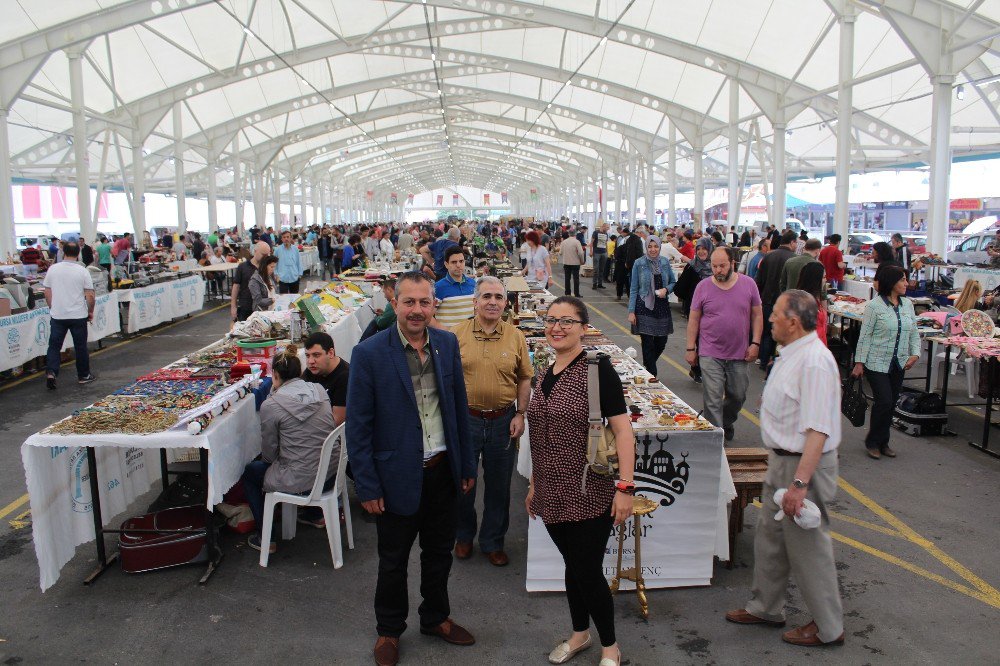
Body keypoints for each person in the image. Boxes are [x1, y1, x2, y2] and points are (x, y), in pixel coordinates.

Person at [346, 272, 476, 666]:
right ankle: (388, 630)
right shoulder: (369, 354)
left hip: (441, 471)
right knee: (393, 561)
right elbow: (359, 425)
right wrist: (367, 487)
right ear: (394, 304)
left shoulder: (446, 343)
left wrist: (466, 464)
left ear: (433, 303)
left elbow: (457, 408)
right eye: (409, 302)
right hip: (395, 476)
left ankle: (435, 617)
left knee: (439, 553)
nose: (417, 310)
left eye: (424, 302)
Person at [726, 290, 845, 648]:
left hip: (801, 465)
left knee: (809, 547)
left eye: (775, 314)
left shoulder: (814, 362)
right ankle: (765, 607)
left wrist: (799, 483)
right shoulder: (792, 354)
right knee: (771, 541)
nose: (769, 319)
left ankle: (829, 627)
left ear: (793, 322)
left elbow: (819, 430)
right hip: (780, 459)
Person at [525, 295, 635, 666]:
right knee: (573, 567)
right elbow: (540, 431)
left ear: (583, 328)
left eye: (567, 321)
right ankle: (579, 634)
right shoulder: (545, 369)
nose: (557, 327)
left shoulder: (597, 369)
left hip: (589, 491)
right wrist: (535, 484)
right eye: (552, 319)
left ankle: (610, 646)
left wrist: (625, 487)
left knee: (586, 570)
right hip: (551, 491)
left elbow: (623, 432)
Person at [452, 276, 533, 566]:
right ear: (475, 302)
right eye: (487, 296)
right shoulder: (456, 334)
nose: (493, 302)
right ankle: (463, 536)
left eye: (499, 297)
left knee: (499, 487)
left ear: (505, 303)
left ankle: (492, 541)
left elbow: (525, 376)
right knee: (464, 484)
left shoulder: (516, 336)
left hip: (503, 421)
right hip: (467, 421)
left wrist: (521, 413)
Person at [242, 345, 338, 554]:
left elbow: (269, 456)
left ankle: (266, 536)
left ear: (275, 375)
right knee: (304, 455)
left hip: (301, 480)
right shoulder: (319, 391)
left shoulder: (272, 404)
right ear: (299, 371)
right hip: (330, 473)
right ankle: (314, 514)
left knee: (251, 472)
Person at [685, 247, 763, 441]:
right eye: (714, 266)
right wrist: (690, 348)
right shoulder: (703, 286)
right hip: (710, 352)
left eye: (722, 266)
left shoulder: (749, 284)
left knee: (738, 396)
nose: (718, 270)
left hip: (739, 353)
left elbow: (757, 315)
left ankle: (725, 421)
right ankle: (714, 439)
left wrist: (755, 343)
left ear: (732, 264)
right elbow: (694, 319)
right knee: (712, 397)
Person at [851, 264, 920, 459]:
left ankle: (884, 442)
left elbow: (914, 332)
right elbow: (865, 336)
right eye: (902, 280)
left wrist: (915, 354)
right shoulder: (874, 306)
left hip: (898, 362)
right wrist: (859, 362)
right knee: (884, 401)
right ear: (892, 283)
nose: (907, 283)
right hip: (876, 362)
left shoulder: (908, 305)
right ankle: (872, 441)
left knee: (890, 404)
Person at [43, 242, 97, 390]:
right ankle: (83, 375)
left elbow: (47, 291)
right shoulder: (82, 271)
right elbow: (90, 295)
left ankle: (51, 372)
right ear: (78, 252)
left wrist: (52, 307)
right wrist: (90, 311)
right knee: (80, 346)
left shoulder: (53, 269)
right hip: (78, 314)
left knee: (54, 346)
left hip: (58, 315)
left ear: (63, 252)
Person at [627, 236, 676, 380]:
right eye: (650, 246)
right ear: (646, 247)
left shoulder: (665, 262)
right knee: (647, 342)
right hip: (643, 306)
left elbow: (673, 282)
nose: (653, 249)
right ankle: (652, 374)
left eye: (655, 246)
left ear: (660, 247)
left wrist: (666, 290)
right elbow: (634, 289)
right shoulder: (639, 263)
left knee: (662, 341)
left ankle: (647, 367)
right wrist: (631, 311)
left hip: (662, 306)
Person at [754, 230, 797, 370]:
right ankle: (775, 363)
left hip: (766, 299)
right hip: (783, 303)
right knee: (780, 334)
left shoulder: (768, 257)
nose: (796, 245)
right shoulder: (793, 259)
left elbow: (758, 280)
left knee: (766, 332)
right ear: (791, 242)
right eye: (796, 242)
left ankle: (763, 359)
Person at [302, 331, 349, 428]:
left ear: (330, 353)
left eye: (316, 355)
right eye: (307, 355)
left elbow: (337, 422)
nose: (310, 361)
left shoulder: (345, 377)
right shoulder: (313, 369)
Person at [435, 245, 475, 328]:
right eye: (454, 262)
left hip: (469, 338)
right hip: (448, 339)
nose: (458, 265)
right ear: (446, 264)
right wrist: (446, 333)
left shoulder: (473, 284)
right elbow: (428, 317)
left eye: (461, 261)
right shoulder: (438, 288)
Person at [232, 241, 271, 323]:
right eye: (263, 255)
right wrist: (233, 306)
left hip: (263, 308)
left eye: (267, 255)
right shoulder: (242, 267)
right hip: (245, 307)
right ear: (255, 251)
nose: (265, 258)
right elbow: (236, 287)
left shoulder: (267, 268)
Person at [796, 261, 829, 345]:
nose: (826, 280)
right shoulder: (803, 302)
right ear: (815, 279)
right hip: (810, 349)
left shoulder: (814, 298)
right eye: (823, 277)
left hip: (818, 347)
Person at [560, 230, 585, 297]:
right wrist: (582, 261)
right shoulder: (577, 242)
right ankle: (576, 294)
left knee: (567, 279)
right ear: (575, 234)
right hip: (575, 263)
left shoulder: (564, 242)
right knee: (576, 279)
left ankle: (567, 293)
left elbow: (560, 252)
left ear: (568, 234)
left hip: (566, 262)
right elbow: (581, 253)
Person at [590, 223, 610, 289]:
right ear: (603, 226)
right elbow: (591, 243)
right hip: (596, 253)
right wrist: (591, 251)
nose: (608, 229)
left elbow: (606, 243)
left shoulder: (606, 234)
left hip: (604, 253)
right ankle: (594, 284)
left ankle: (600, 284)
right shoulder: (595, 232)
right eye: (607, 227)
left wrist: (607, 252)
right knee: (596, 269)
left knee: (602, 269)